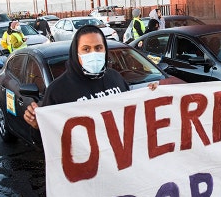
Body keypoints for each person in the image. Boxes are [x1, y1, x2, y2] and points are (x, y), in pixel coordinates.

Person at [24, 25, 157, 129]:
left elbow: (132, 115)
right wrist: (36, 126)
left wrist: (149, 96)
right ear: (76, 53)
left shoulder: (115, 78)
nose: (94, 53)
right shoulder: (57, 90)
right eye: (86, 49)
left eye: (98, 48)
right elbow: (49, 142)